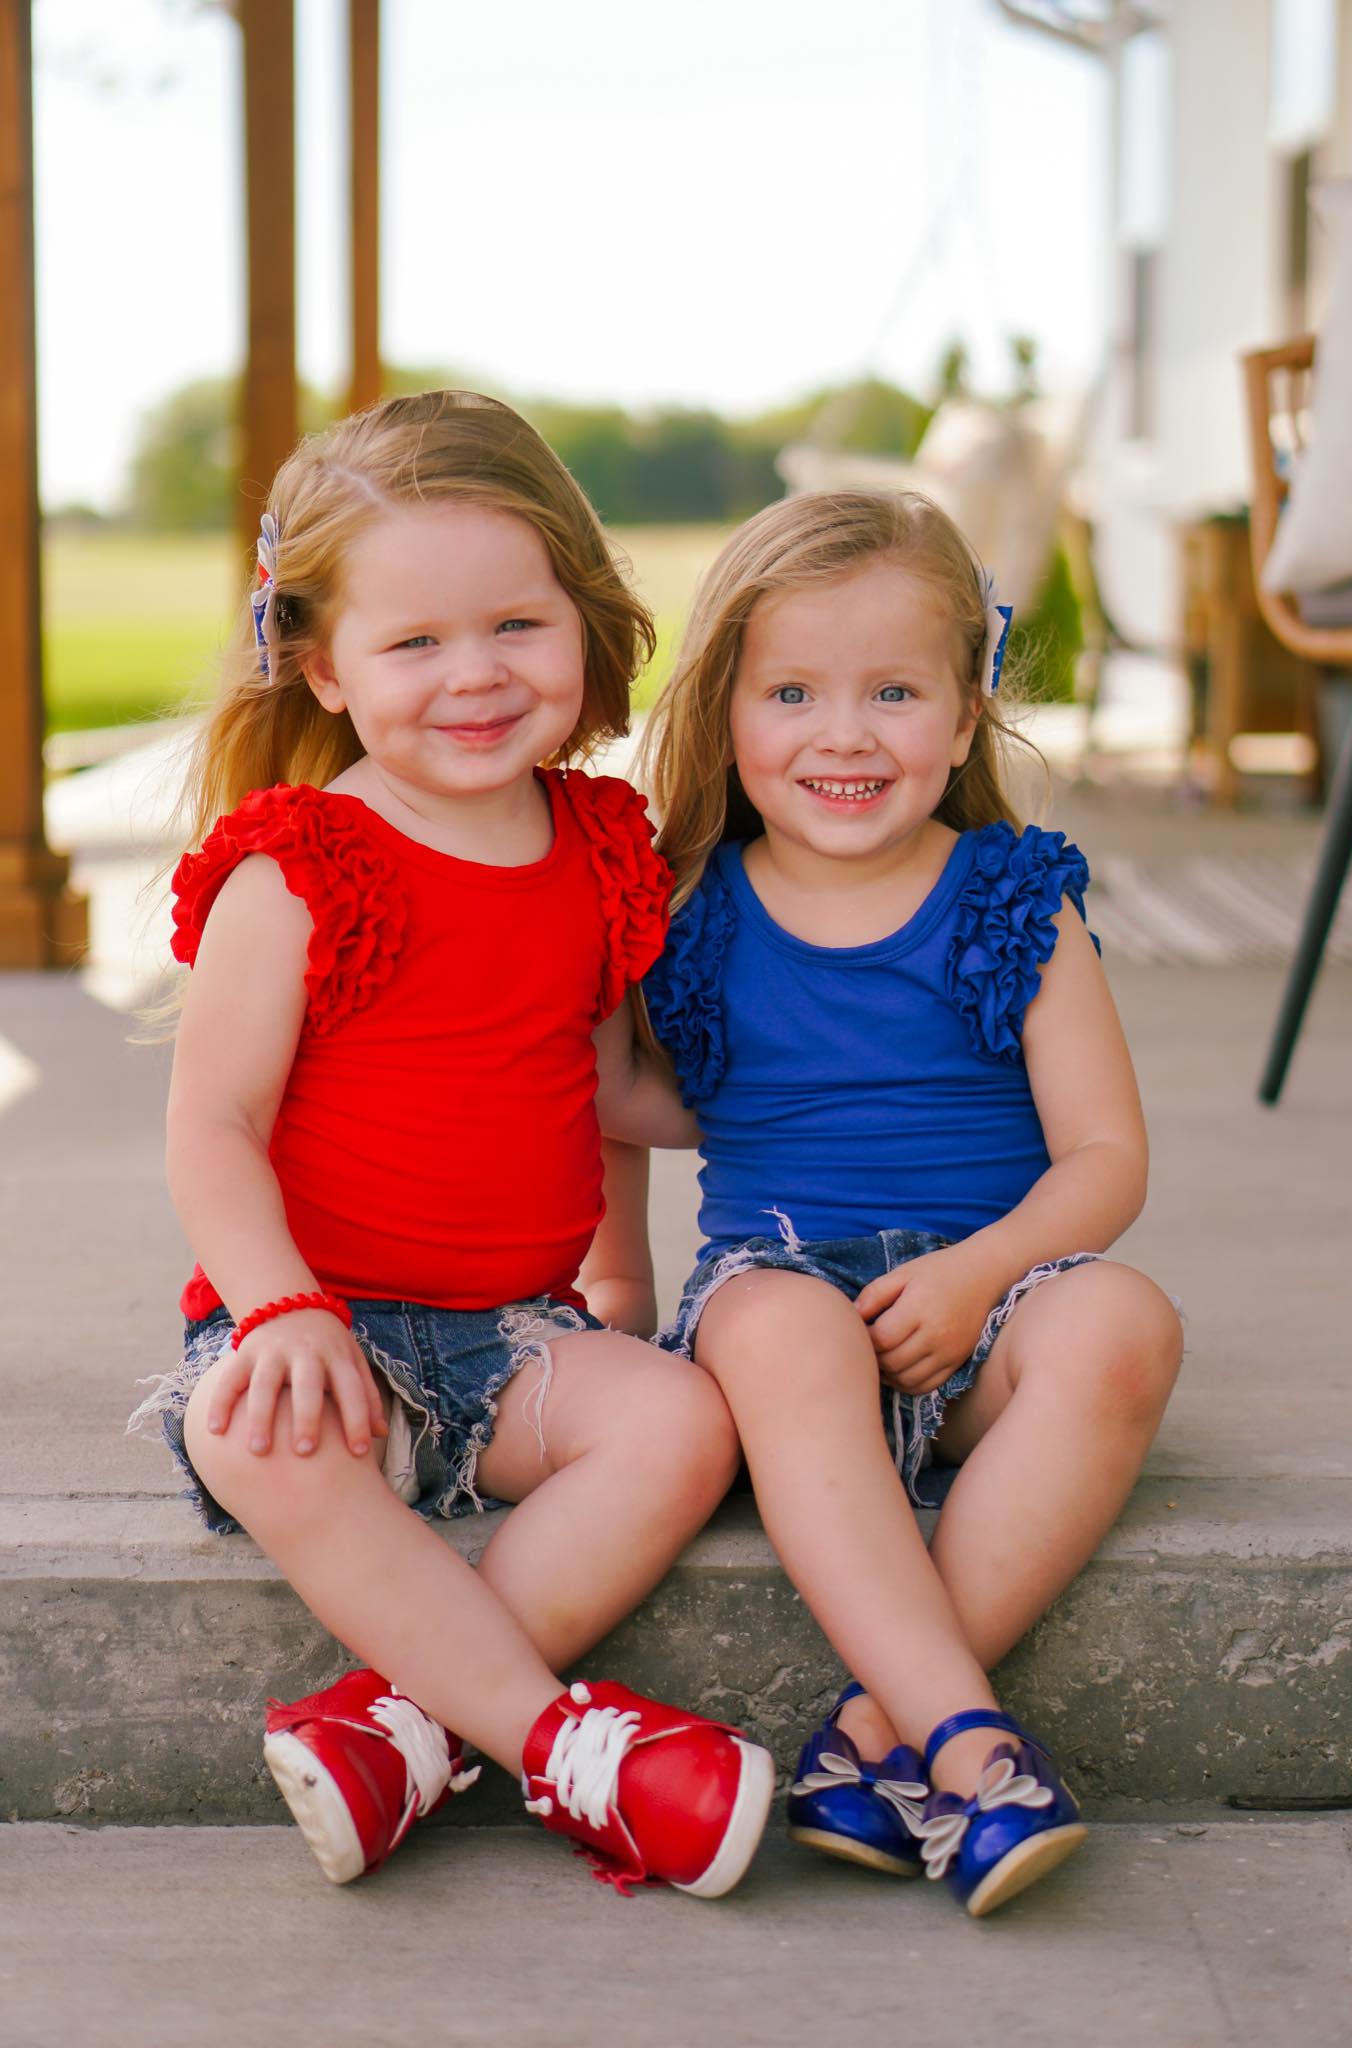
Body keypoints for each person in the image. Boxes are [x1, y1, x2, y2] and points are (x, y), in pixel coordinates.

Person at [129, 390, 775, 1897]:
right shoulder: (302, 866)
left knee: (685, 1420)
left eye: (514, 627)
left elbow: (603, 1091)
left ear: (585, 623)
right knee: (243, 1424)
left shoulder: (597, 844)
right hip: (318, 1331)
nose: (473, 677)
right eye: (414, 644)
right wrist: (280, 1307)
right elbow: (212, 1124)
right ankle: (569, 1750)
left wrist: (634, 1277)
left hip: (504, 1343)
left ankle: (400, 1733)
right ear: (321, 664)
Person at [624, 488, 1184, 1916]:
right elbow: (624, 1107)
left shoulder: (1011, 897)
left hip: (990, 1301)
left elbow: (1104, 1160)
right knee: (773, 1327)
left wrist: (976, 1273)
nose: (844, 733)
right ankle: (968, 1742)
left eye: (893, 690)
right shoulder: (690, 907)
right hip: (787, 1294)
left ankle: (882, 1738)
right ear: (727, 708)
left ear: (965, 704)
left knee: (1122, 1323)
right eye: (793, 691)